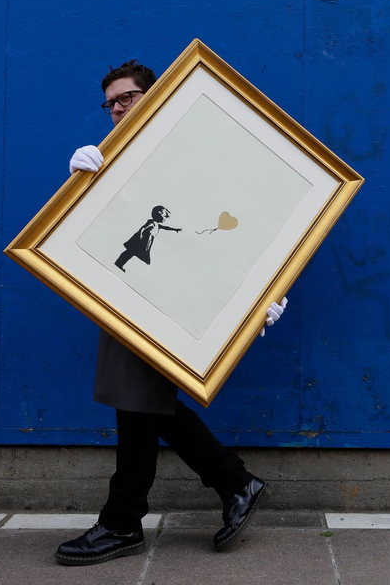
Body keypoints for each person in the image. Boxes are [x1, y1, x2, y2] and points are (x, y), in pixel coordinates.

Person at [55, 60, 288, 566]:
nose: (118, 107)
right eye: (111, 101)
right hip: (126, 300)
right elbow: (90, 231)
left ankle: (124, 521)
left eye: (128, 96)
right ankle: (231, 484)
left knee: (138, 404)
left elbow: (228, 224)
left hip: (172, 301)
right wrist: (78, 183)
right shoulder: (110, 159)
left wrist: (264, 293)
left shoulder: (188, 153)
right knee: (141, 404)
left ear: (155, 94)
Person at [114, 205, 181, 272]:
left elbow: (166, 227)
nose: (165, 219)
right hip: (140, 242)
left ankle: (119, 264)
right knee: (129, 252)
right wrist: (140, 234)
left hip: (146, 243)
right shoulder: (152, 223)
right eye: (164, 216)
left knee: (130, 253)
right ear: (159, 214)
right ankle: (118, 263)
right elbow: (143, 228)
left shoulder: (157, 225)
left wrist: (175, 229)